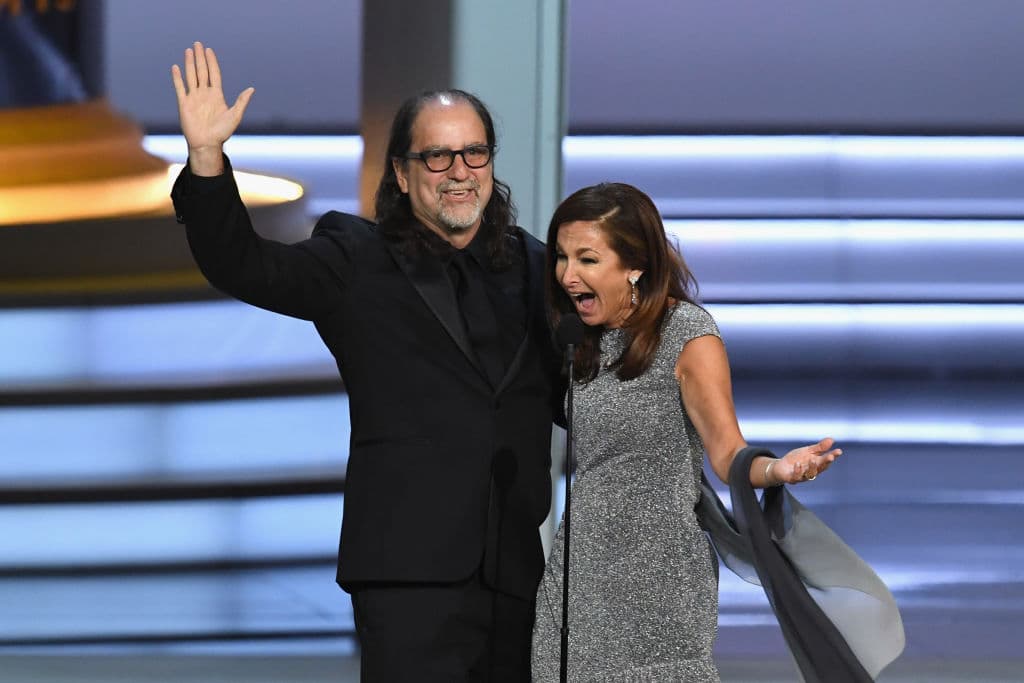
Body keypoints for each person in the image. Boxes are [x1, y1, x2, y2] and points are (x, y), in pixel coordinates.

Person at [169, 42, 564, 682]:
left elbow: (578, 389)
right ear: (403, 174)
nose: (459, 171)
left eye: (474, 153)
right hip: (406, 578)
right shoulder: (356, 260)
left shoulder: (536, 266)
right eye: (437, 155)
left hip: (514, 575)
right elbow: (243, 265)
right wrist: (208, 159)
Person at [530, 182, 843, 681]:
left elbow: (727, 451)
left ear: (635, 265)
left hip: (659, 579)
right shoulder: (578, 341)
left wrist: (777, 470)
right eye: (562, 258)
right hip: (578, 573)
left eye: (587, 259)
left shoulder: (686, 334)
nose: (568, 275)